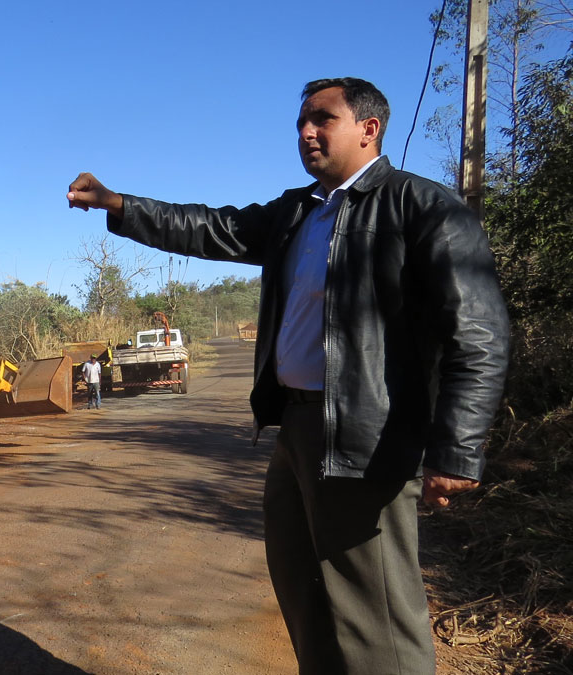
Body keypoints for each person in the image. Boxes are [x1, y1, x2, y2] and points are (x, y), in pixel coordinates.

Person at [67, 78, 509, 674]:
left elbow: (477, 336)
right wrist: (120, 204)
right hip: (296, 428)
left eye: (322, 119)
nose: (306, 132)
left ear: (368, 128)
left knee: (374, 616)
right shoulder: (299, 213)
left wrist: (455, 450)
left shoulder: (424, 209)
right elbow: (210, 227)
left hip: (366, 441)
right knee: (306, 597)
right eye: (302, 121)